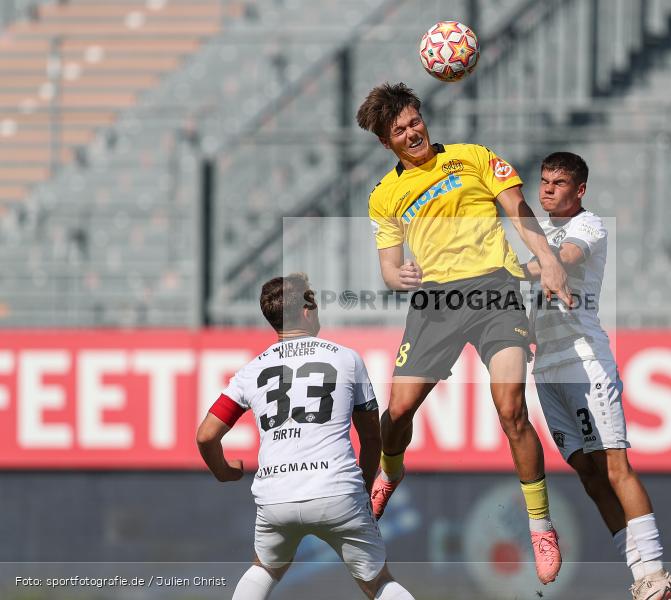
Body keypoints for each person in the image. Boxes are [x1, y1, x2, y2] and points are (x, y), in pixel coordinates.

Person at [356, 82, 571, 585]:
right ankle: (390, 470)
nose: (412, 133)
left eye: (415, 121)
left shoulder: (474, 158)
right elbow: (389, 266)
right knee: (399, 412)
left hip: (495, 292)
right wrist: (397, 277)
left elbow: (519, 210)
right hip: (435, 303)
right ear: (386, 143)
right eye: (400, 130)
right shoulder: (385, 196)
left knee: (511, 408)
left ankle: (539, 525)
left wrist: (547, 259)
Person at [196, 273, 415, 600]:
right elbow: (371, 438)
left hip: (275, 496)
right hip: (337, 491)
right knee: (378, 583)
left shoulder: (251, 371)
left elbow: (205, 436)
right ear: (308, 309)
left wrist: (223, 471)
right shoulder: (346, 358)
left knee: (264, 568)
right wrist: (364, 489)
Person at [523, 152, 671, 600]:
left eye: (559, 183)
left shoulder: (588, 226)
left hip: (584, 361)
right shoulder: (540, 235)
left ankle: (655, 572)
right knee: (588, 473)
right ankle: (638, 572)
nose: (548, 189)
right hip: (547, 367)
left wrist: (509, 271)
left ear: (580, 190)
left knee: (615, 466)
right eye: (544, 181)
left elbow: (565, 260)